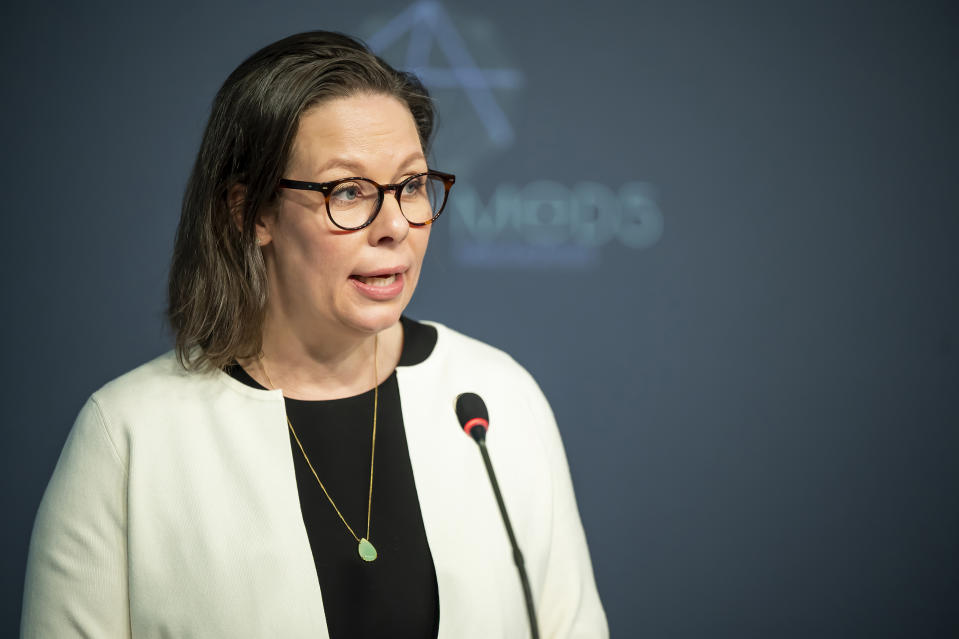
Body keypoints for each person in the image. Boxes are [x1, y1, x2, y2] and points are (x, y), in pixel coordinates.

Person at [20, 31, 607, 638]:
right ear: (252, 212)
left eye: (410, 185)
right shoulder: (128, 437)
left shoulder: (496, 397)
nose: (393, 227)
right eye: (348, 191)